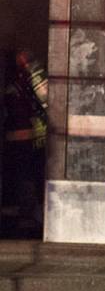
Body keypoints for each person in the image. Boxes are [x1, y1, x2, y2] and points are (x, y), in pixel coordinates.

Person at [2, 49, 47, 238]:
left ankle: (29, 215)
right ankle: (30, 214)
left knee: (26, 178)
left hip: (26, 140)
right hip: (31, 139)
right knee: (28, 178)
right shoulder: (25, 83)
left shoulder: (18, 86)